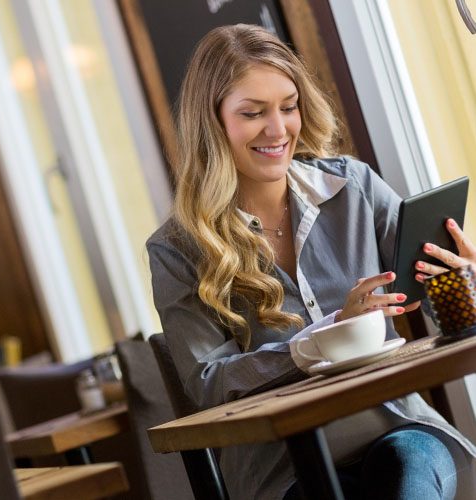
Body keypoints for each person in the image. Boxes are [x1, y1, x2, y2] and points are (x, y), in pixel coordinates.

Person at [146, 24, 475, 499]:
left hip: (398, 428)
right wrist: (320, 340)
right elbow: (207, 383)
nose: (278, 129)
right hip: (282, 467)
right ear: (212, 123)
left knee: (408, 472)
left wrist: (461, 282)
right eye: (253, 113)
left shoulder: (354, 188)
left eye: (288, 106)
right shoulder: (177, 250)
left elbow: (433, 303)